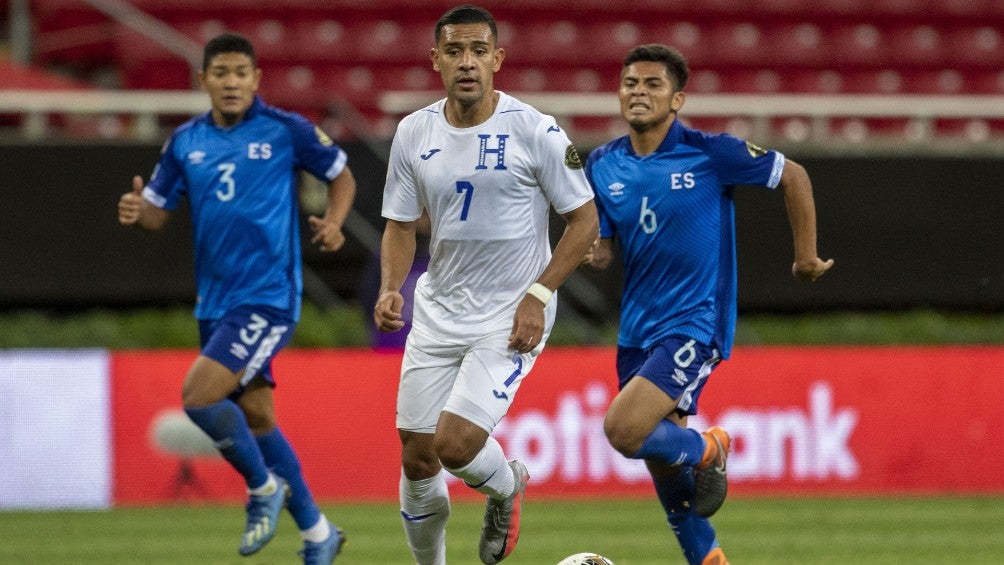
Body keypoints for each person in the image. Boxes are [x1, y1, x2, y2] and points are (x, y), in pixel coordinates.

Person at [584, 44, 834, 565]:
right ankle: (709, 558)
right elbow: (603, 248)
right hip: (637, 330)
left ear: (677, 99)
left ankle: (710, 447)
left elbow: (793, 175)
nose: (638, 92)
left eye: (653, 84)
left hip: (694, 324)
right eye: (630, 83)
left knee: (623, 430)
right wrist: (592, 250)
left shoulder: (710, 153)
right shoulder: (603, 164)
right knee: (665, 465)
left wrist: (806, 257)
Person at [116, 32, 356, 565]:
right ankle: (318, 533)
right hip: (215, 303)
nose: (231, 82)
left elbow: (341, 175)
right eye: (220, 73)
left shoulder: (286, 130)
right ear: (203, 80)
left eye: (240, 73)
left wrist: (336, 222)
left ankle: (262, 489)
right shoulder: (185, 142)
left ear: (255, 80)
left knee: (199, 398)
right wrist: (138, 212)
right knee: (259, 419)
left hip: (267, 297)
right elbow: (156, 212)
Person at [372, 5, 599, 564]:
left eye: (478, 51)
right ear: (436, 60)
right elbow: (400, 224)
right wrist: (390, 286)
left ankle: (506, 485)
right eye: (454, 51)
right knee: (418, 458)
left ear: (497, 59)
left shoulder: (535, 130)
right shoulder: (413, 132)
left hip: (511, 313)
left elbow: (584, 220)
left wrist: (539, 295)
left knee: (453, 445)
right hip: (438, 310)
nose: (467, 62)